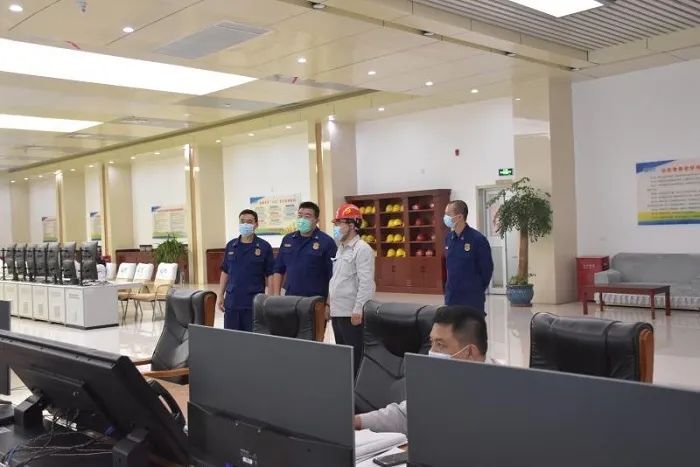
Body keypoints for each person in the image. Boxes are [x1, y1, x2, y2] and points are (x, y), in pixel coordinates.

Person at [353, 305, 496, 435]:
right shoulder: (439, 380)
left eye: (440, 344)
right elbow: (406, 415)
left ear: (469, 352)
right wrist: (356, 421)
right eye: (432, 342)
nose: (432, 351)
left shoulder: (499, 393)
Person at [328, 203, 376, 376]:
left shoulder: (362, 249)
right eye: (336, 223)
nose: (336, 227)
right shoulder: (341, 249)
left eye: (339, 223)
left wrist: (358, 309)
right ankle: (346, 386)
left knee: (356, 358)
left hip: (351, 314)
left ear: (352, 225)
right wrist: (329, 305)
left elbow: (366, 283)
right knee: (344, 356)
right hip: (338, 311)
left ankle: (357, 388)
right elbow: (336, 280)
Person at [217, 209, 274, 331]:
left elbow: (270, 274)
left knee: (251, 339)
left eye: (249, 222)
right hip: (232, 302)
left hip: (253, 302)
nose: (245, 224)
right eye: (242, 221)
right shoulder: (231, 246)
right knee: (231, 337)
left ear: (256, 224)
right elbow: (225, 271)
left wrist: (270, 299)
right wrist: (220, 295)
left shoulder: (264, 247)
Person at [271, 201, 337, 299]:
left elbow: (334, 276)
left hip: (315, 299)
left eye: (307, 216)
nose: (302, 220)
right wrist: (276, 295)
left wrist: (328, 303)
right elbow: (278, 269)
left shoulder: (327, 242)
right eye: (300, 216)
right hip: (290, 298)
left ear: (316, 220)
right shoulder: (288, 239)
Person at [443, 200, 494, 314]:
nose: (445, 217)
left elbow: (487, 269)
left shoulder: (477, 239)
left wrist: (476, 288)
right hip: (452, 297)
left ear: (459, 217)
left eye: (448, 214)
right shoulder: (449, 238)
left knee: (471, 325)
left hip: (472, 299)